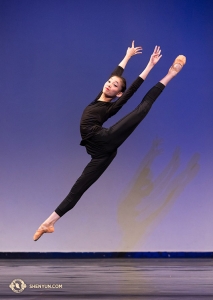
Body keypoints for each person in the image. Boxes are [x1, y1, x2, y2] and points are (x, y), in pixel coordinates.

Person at [33, 41, 186, 241]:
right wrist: (128, 56)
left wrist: (150, 65)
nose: (109, 84)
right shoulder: (98, 99)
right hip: (100, 152)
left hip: (103, 139)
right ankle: (49, 223)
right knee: (79, 187)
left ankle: (170, 75)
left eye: (115, 85)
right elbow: (115, 73)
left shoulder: (110, 107)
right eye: (109, 82)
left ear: (118, 94)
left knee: (142, 109)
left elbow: (131, 90)